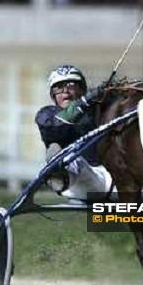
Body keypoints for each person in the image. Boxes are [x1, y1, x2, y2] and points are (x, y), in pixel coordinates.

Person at [35, 64, 115, 201]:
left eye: (71, 85)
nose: (65, 91)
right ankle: (58, 173)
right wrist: (84, 101)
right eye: (58, 87)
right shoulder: (46, 114)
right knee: (68, 156)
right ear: (52, 94)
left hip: (110, 179)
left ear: (82, 89)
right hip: (75, 184)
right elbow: (56, 126)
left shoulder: (99, 111)